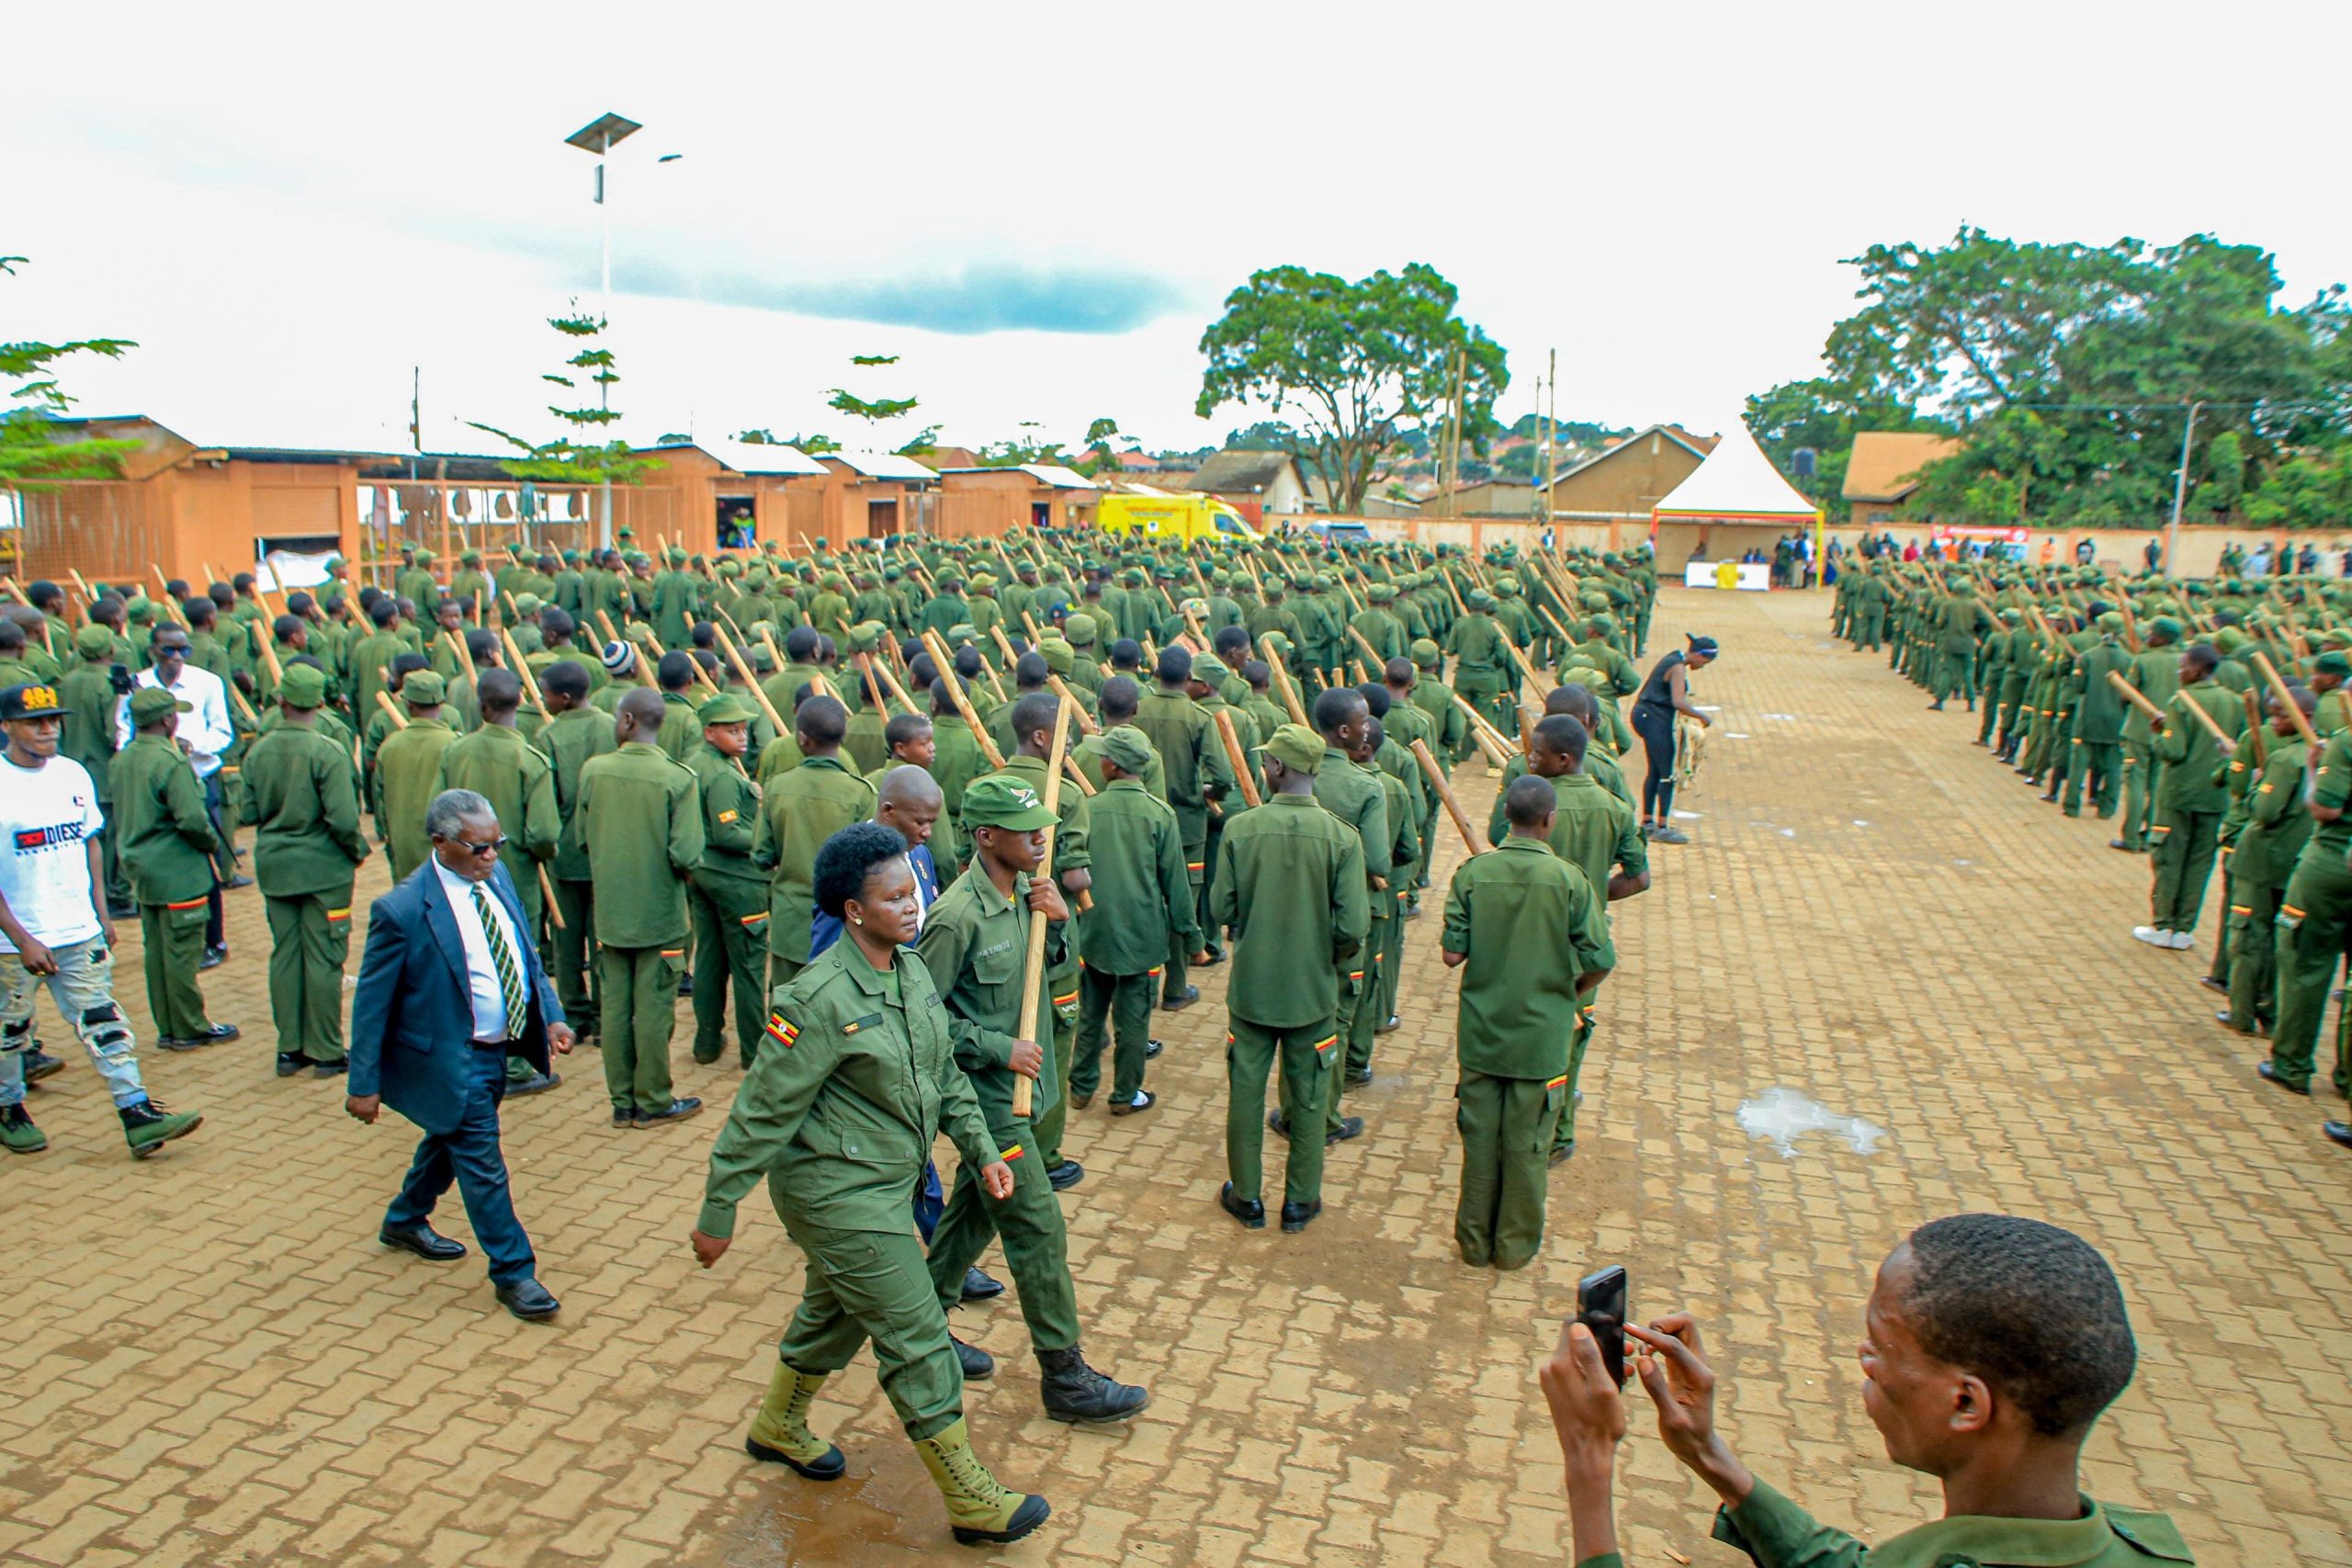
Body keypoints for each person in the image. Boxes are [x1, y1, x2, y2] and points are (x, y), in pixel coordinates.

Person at [690, 823, 1049, 1547]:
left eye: (911, 891)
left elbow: (945, 1075)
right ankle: (970, 1495)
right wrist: (718, 1206)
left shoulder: (910, 972)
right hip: (833, 1192)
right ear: (854, 910)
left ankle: (779, 1424)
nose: (912, 905)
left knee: (839, 1309)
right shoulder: (813, 999)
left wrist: (982, 1151)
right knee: (916, 1331)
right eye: (894, 897)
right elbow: (761, 1109)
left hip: (886, 1180)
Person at [1538, 1213, 2191, 1568]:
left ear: (1967, 1403)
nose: (1864, 1357)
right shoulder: (2146, 1548)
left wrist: (1587, 1463)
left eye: (1881, 1344)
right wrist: (1709, 1454)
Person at [914, 773, 1148, 1424]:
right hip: (989, 1100)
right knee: (1039, 1230)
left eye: (1043, 826)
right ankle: (1065, 1374)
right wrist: (996, 1047)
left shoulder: (1029, 894)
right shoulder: (955, 918)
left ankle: (923, 1324)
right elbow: (922, 1021)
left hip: (1032, 1095)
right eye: (1027, 831)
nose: (1043, 838)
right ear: (986, 837)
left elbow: (1049, 972)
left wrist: (1062, 923)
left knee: (975, 1210)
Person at [347, 788, 572, 1318]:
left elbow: (525, 955)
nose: (492, 856)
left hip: (502, 1050)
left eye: (498, 844)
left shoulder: (496, 879)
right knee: (482, 1162)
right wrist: (363, 1083)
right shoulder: (402, 910)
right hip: (453, 1058)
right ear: (440, 843)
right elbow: (371, 1004)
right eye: (480, 848)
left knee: (450, 1135)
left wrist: (552, 1013)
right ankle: (515, 1273)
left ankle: (405, 1219)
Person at [0, 682, 206, 1156]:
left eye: (52, 719)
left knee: (104, 1021)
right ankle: (10, 1107)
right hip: (17, 940)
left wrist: (101, 910)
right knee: (11, 1031)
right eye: (34, 721)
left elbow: (90, 842)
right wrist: (20, 937)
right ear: (7, 726)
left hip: (77, 929)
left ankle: (136, 1112)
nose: (48, 728)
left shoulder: (71, 775)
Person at [1207, 723, 1369, 1234]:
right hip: (1313, 992)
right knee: (1309, 1097)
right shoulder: (1344, 838)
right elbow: (1353, 926)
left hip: (1253, 987)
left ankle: (1248, 1197)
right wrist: (1327, 958)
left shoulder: (1240, 828)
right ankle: (1300, 1201)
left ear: (1277, 769)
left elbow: (1221, 906)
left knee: (1246, 1094)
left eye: (1266, 761)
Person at [1442, 776, 1610, 1268]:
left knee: (1478, 1141)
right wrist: (1568, 997)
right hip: (1540, 1037)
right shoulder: (1571, 881)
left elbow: (1453, 954)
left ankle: (1473, 1243)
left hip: (1482, 1033)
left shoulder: (1473, 874)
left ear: (1505, 818)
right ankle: (1514, 1249)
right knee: (1528, 1146)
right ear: (1550, 820)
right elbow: (1601, 957)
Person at [571, 687, 706, 1128]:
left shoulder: (594, 771)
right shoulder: (677, 777)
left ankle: (622, 1100)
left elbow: (582, 837)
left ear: (628, 721)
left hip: (610, 912)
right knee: (652, 1009)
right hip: (660, 915)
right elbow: (687, 855)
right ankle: (653, 1098)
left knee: (614, 1006)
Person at [240, 662, 370, 1077]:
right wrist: (355, 852)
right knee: (325, 956)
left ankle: (289, 1048)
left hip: (276, 867)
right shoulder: (326, 751)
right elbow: (345, 820)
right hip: (324, 869)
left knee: (285, 954)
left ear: (281, 701)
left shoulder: (257, 751)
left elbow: (246, 811)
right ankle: (327, 1050)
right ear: (319, 703)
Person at [1069, 726, 1193, 1116]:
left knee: (1091, 1013)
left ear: (1112, 765)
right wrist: (1192, 936)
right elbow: (1176, 883)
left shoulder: (1088, 809)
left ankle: (1081, 1084)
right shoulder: (1160, 815)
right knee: (1134, 1017)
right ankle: (1125, 1093)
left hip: (1094, 930)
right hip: (1141, 934)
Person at [109, 685, 237, 1053]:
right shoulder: (171, 762)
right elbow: (193, 820)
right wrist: (212, 846)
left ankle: (167, 1025)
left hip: (141, 868)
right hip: (178, 869)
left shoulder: (123, 759)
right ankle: (190, 1027)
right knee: (183, 952)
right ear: (167, 720)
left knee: (158, 951)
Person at [686, 692, 772, 1067]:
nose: (742, 737)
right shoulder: (721, 774)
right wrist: (767, 840)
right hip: (735, 880)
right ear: (709, 733)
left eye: (744, 730)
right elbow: (727, 833)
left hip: (702, 873)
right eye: (732, 731)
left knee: (709, 958)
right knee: (749, 968)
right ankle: (754, 1051)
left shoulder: (699, 763)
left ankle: (706, 1042)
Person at [1630, 635, 1717, 843]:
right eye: (1705, 662)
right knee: (1666, 774)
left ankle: (1648, 823)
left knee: (1655, 771)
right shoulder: (1677, 667)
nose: (1703, 666)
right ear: (1698, 655)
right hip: (1653, 719)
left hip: (1644, 716)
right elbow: (1678, 702)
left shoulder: (1674, 659)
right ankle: (1661, 826)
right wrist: (1702, 716)